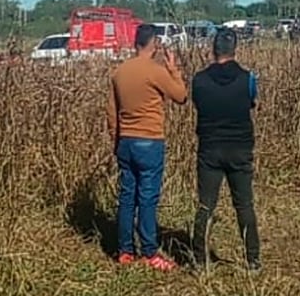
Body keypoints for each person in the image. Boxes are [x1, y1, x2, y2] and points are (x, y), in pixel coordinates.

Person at [107, 24, 188, 271]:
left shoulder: (120, 71)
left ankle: (124, 251)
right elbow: (181, 96)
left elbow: (111, 112)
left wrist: (116, 139)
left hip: (125, 141)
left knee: (127, 197)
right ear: (154, 44)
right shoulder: (156, 70)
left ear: (136, 43)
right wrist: (174, 70)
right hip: (150, 141)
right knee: (148, 198)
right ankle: (150, 252)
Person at [191, 28, 261, 272]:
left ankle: (200, 261)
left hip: (209, 149)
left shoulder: (199, 80)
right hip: (240, 148)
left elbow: (198, 103)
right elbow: (253, 102)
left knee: (205, 205)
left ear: (213, 49)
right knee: (244, 205)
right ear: (235, 50)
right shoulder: (248, 78)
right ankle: (253, 260)